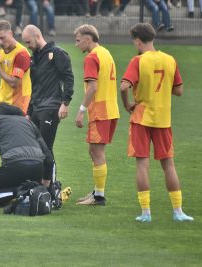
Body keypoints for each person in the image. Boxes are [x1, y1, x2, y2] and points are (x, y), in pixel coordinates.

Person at [120, 23, 194, 222]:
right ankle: (178, 211)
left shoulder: (138, 61)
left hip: (141, 118)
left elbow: (124, 86)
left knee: (142, 165)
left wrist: (127, 105)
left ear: (137, 40)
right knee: (168, 165)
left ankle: (146, 213)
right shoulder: (170, 60)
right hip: (163, 119)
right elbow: (179, 90)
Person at [73, 24, 120, 206]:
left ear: (88, 38)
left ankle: (99, 197)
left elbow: (93, 87)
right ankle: (96, 191)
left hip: (100, 111)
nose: (77, 45)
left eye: (78, 41)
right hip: (110, 108)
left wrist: (81, 111)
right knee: (94, 151)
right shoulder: (105, 53)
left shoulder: (91, 58)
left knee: (97, 152)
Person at [21, 25, 74, 157]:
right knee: (33, 148)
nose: (27, 45)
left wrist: (65, 103)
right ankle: (37, 178)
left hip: (50, 107)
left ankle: (50, 178)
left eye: (28, 42)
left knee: (45, 148)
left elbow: (68, 78)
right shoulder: (35, 58)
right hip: (36, 108)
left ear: (37, 37)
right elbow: (35, 87)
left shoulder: (57, 53)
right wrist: (29, 112)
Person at [0, 19, 32, 116]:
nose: (0, 42)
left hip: (16, 106)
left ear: (11, 33)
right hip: (2, 102)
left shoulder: (21, 54)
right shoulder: (2, 51)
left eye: (2, 38)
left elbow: (15, 83)